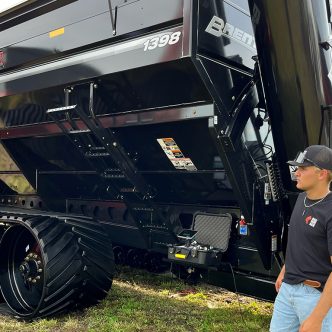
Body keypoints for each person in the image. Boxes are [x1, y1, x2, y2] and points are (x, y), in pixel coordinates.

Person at [270, 145, 332, 332]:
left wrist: (317, 317)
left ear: (322, 174)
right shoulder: (301, 199)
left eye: (303, 169)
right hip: (287, 290)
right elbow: (300, 242)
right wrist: (285, 270)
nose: (296, 172)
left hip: (314, 296)